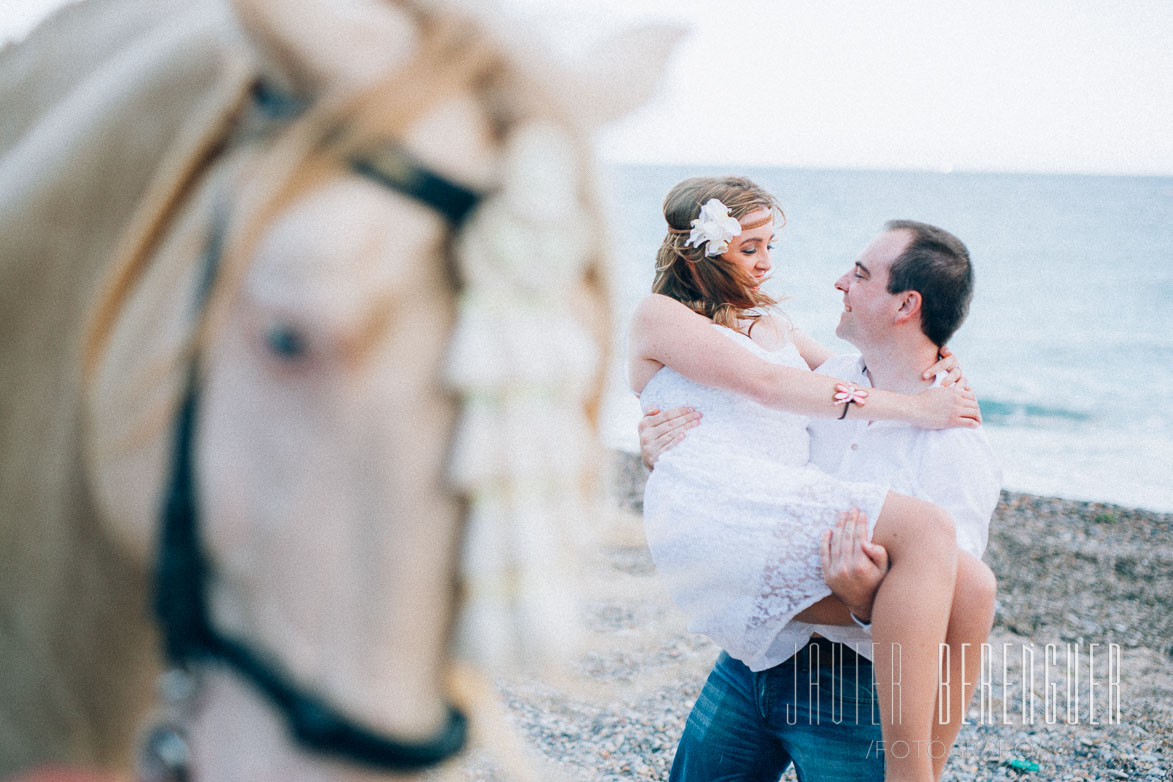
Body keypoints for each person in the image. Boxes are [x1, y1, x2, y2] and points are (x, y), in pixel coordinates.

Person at [628, 176, 983, 782]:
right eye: (750, 248)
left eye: (770, 246)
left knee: (974, 588)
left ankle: (927, 768)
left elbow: (834, 376)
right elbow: (771, 387)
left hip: (780, 543)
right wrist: (917, 408)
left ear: (907, 305)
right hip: (720, 503)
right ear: (700, 249)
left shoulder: (772, 323)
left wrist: (933, 369)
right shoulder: (659, 314)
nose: (766, 263)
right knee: (926, 531)